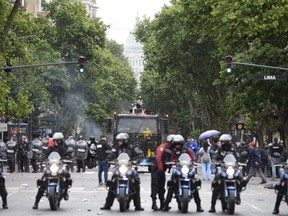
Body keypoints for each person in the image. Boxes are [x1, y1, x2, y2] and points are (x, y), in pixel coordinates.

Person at [100, 132, 144, 211]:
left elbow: (140, 154)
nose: (118, 142)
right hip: (119, 167)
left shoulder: (132, 148)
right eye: (118, 141)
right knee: (112, 183)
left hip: (129, 167)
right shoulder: (116, 148)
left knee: (136, 182)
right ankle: (107, 205)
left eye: (120, 141)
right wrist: (108, 160)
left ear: (125, 141)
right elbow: (112, 154)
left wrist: (136, 161)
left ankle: (138, 205)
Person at [161, 134, 204, 212]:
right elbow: (170, 158)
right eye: (176, 144)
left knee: (194, 186)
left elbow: (192, 158)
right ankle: (166, 205)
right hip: (177, 169)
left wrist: (194, 162)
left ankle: (199, 206)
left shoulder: (187, 149)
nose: (177, 145)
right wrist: (171, 163)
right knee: (171, 186)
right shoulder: (172, 150)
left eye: (179, 144)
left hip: (187, 168)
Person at [32, 132, 72, 209]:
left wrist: (68, 157)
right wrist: (41, 158)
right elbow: (45, 154)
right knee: (42, 181)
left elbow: (67, 153)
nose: (57, 142)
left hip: (60, 166)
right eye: (56, 140)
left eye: (59, 140)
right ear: (54, 140)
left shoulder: (64, 147)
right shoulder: (51, 147)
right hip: (51, 166)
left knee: (67, 174)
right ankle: (36, 202)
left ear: (62, 140)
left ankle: (65, 191)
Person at [208, 134, 246, 213]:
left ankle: (239, 191)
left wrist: (239, 160)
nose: (221, 143)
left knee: (239, 176)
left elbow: (237, 156)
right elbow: (217, 156)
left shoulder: (233, 148)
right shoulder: (220, 149)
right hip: (223, 168)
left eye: (223, 141)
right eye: (221, 141)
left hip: (232, 168)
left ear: (227, 142)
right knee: (216, 185)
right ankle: (212, 206)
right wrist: (215, 160)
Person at [150, 134, 174, 211]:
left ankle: (162, 204)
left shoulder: (170, 148)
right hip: (156, 169)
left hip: (162, 169)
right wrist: (160, 168)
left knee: (161, 187)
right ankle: (154, 204)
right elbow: (158, 157)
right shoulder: (162, 147)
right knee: (155, 186)